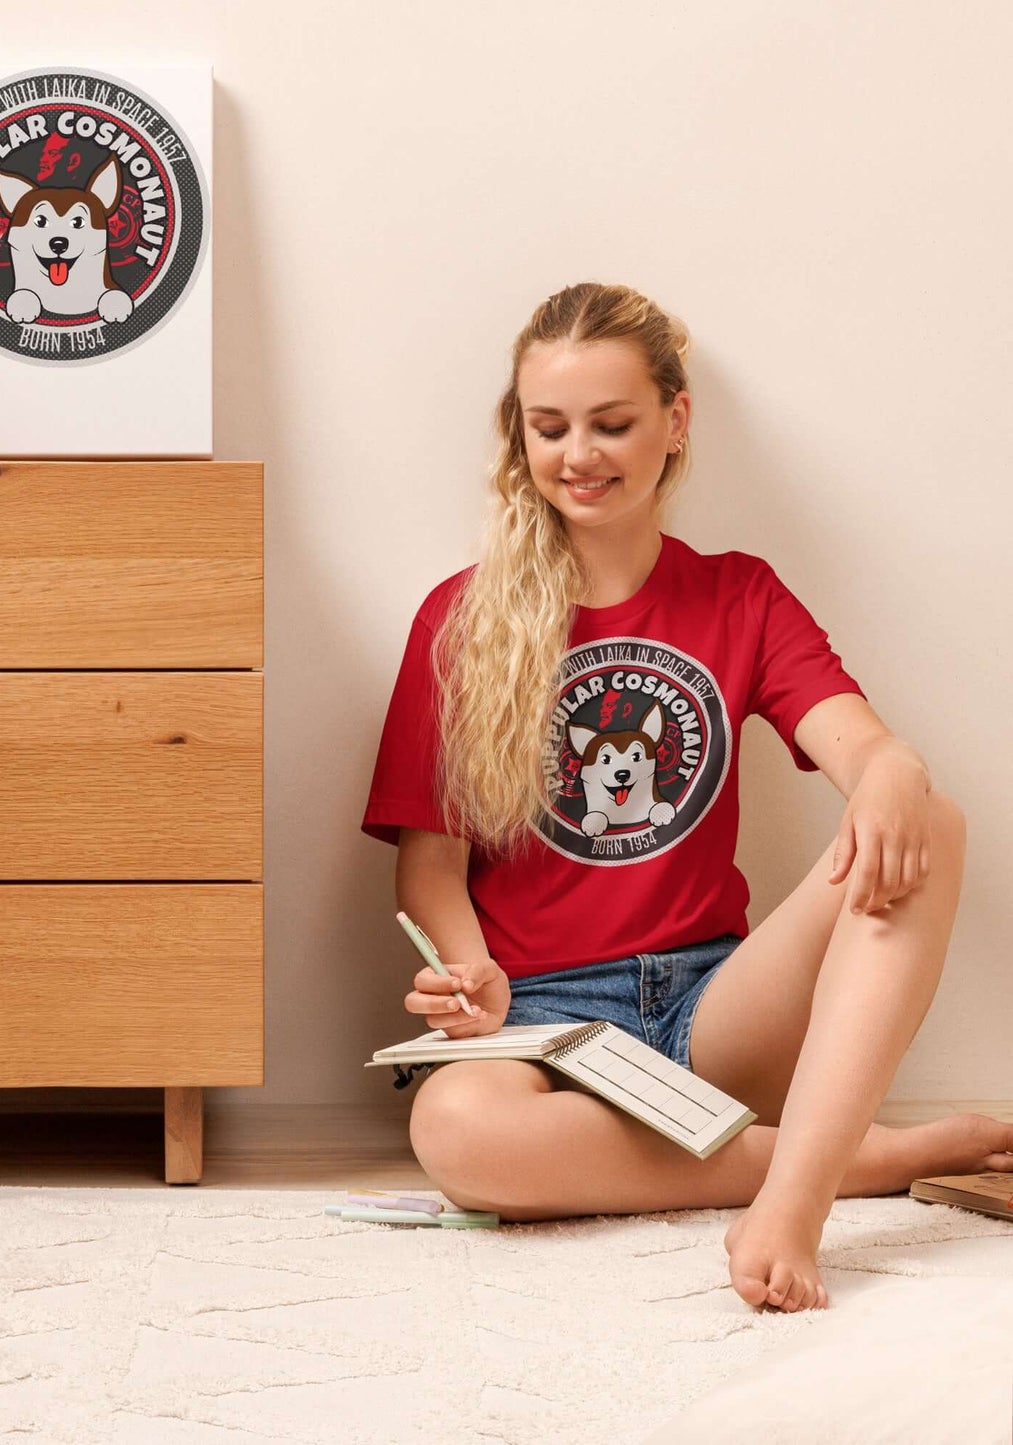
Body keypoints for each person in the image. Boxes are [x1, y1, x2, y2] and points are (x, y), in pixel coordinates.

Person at [360, 281, 1006, 1314]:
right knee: (454, 1132)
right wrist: (465, 965)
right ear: (516, 435)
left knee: (927, 817)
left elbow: (856, 740)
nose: (580, 454)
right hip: (543, 1026)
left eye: (611, 423)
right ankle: (858, 1157)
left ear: (674, 420)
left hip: (716, 1012)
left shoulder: (736, 593)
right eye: (549, 426)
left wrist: (888, 768)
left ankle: (791, 1199)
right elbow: (429, 862)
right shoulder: (458, 617)